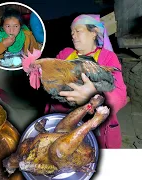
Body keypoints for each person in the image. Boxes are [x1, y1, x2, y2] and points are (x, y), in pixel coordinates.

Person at [46, 14, 127, 149]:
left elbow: (120, 97)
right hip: (62, 119)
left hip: (94, 127)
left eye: (78, 31)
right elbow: (51, 80)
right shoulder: (65, 54)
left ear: (94, 33)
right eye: (72, 32)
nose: (73, 35)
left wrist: (93, 96)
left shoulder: (107, 57)